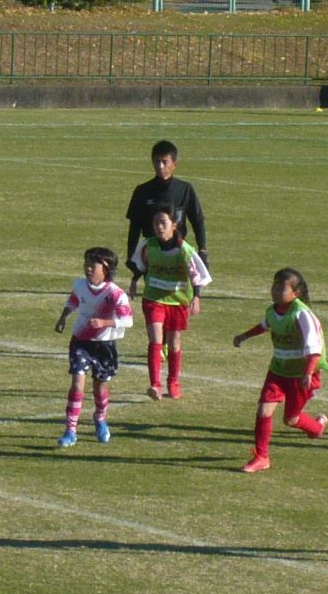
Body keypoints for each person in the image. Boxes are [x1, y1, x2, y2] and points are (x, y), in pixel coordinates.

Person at [232, 268, 328, 473]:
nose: (275, 291)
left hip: (299, 375)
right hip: (277, 371)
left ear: (296, 293)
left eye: (281, 288)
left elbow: (315, 348)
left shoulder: (302, 314)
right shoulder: (272, 310)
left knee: (291, 419)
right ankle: (261, 457)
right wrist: (244, 336)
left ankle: (317, 427)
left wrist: (308, 373)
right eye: (274, 286)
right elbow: (265, 325)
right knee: (263, 411)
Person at [54, 247, 134, 447]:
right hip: (80, 342)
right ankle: (70, 431)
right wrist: (63, 317)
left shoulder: (116, 294)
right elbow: (73, 301)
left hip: (104, 346)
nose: (87, 269)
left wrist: (104, 323)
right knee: (77, 383)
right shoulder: (80, 285)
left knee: (100, 386)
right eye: (86, 264)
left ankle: (100, 418)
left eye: (92, 265)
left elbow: (127, 320)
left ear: (106, 269)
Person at [129, 208, 211, 400]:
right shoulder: (148, 245)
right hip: (153, 298)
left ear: (174, 225)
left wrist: (196, 297)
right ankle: (155, 385)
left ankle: (173, 382)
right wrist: (134, 281)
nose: (159, 227)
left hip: (178, 301)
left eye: (163, 223)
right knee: (155, 339)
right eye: (156, 223)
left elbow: (197, 274)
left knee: (174, 342)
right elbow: (141, 265)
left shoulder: (184, 249)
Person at [124, 139, 208, 273]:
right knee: (155, 288)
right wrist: (131, 255)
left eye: (165, 162)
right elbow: (135, 226)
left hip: (178, 250)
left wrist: (202, 250)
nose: (160, 166)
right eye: (157, 161)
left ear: (174, 164)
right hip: (152, 251)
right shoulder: (142, 191)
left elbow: (198, 221)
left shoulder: (184, 189)